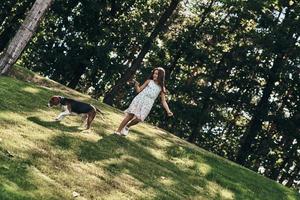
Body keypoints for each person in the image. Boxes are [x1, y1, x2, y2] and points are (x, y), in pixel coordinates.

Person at [114, 67, 173, 136]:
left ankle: (127, 126)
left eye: (156, 74)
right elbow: (139, 90)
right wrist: (136, 85)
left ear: (161, 76)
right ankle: (118, 131)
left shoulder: (162, 88)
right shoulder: (149, 81)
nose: (154, 75)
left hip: (148, 103)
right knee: (130, 116)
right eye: (154, 73)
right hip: (140, 99)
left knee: (139, 119)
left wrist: (168, 111)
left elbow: (163, 101)